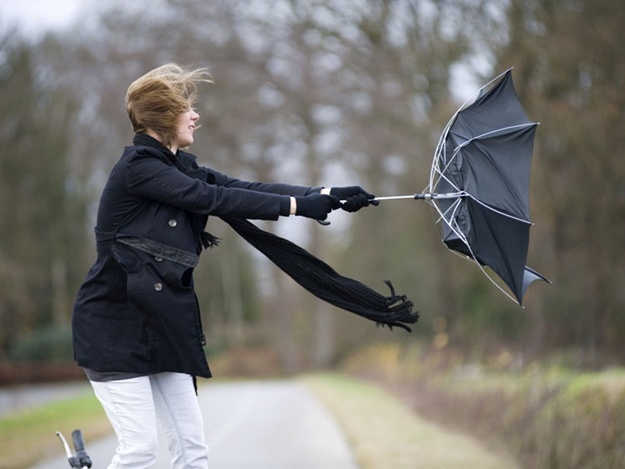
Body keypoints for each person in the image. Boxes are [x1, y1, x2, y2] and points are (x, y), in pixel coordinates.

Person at [71, 63, 376, 469]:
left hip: (163, 327)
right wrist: (299, 206)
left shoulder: (179, 166)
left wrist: (324, 193)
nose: (195, 115)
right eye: (185, 108)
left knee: (192, 452)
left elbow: (239, 188)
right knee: (140, 451)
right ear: (163, 116)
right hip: (115, 330)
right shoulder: (139, 170)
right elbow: (210, 199)